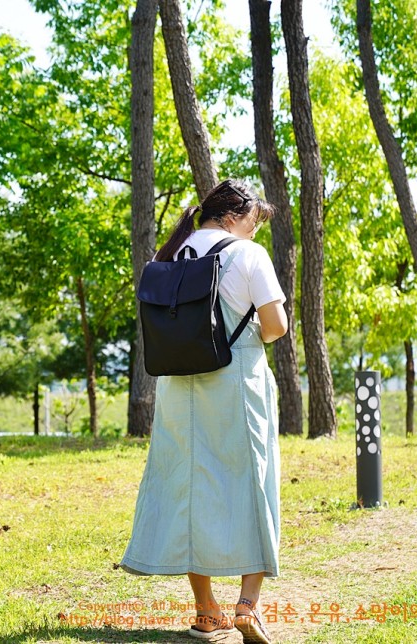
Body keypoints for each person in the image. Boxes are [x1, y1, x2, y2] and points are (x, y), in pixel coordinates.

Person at [119, 178, 288, 643]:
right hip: (235, 383)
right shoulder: (247, 254)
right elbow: (275, 326)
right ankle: (247, 606)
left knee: (190, 488)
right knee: (252, 482)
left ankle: (206, 610)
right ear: (234, 215)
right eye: (254, 222)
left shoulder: (169, 254)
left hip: (177, 388)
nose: (254, 233)